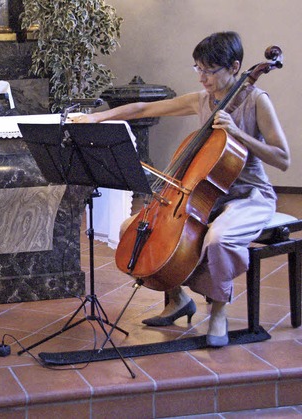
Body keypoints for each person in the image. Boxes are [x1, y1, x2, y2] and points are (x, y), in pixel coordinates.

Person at [71, 31, 290, 347]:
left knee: (217, 239)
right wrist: (96, 118)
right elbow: (143, 110)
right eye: (198, 69)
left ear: (235, 67)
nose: (202, 78)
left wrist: (239, 135)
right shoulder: (202, 100)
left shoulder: (257, 101)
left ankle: (218, 311)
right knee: (134, 229)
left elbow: (283, 158)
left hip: (249, 195)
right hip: (205, 194)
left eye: (209, 70)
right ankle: (177, 299)